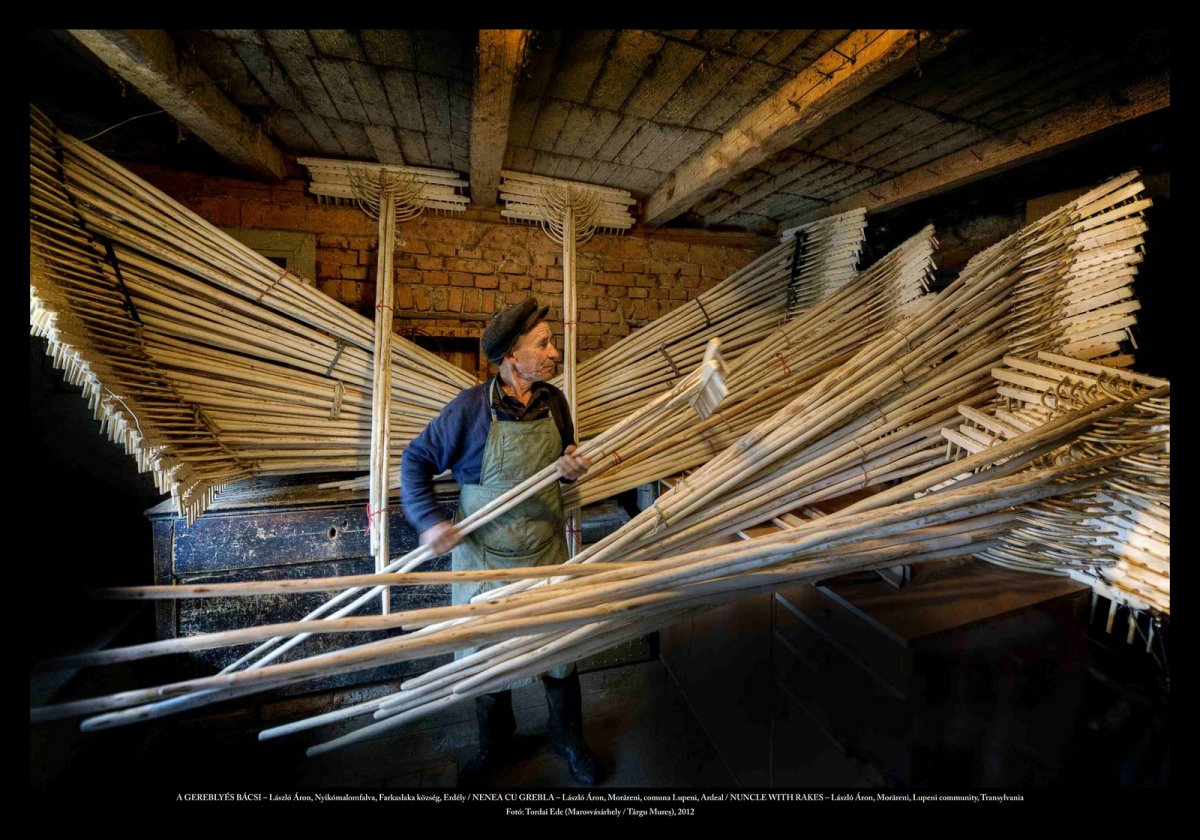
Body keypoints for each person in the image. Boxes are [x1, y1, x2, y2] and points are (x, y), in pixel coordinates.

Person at [400, 296, 601, 786]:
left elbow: (564, 461)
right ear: (512, 355)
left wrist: (573, 467)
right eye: (545, 344)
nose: (555, 352)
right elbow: (415, 460)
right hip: (484, 559)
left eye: (551, 342)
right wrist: (428, 522)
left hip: (545, 552)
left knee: (558, 652)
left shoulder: (555, 402)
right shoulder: (470, 410)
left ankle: (568, 738)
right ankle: (496, 746)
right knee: (484, 658)